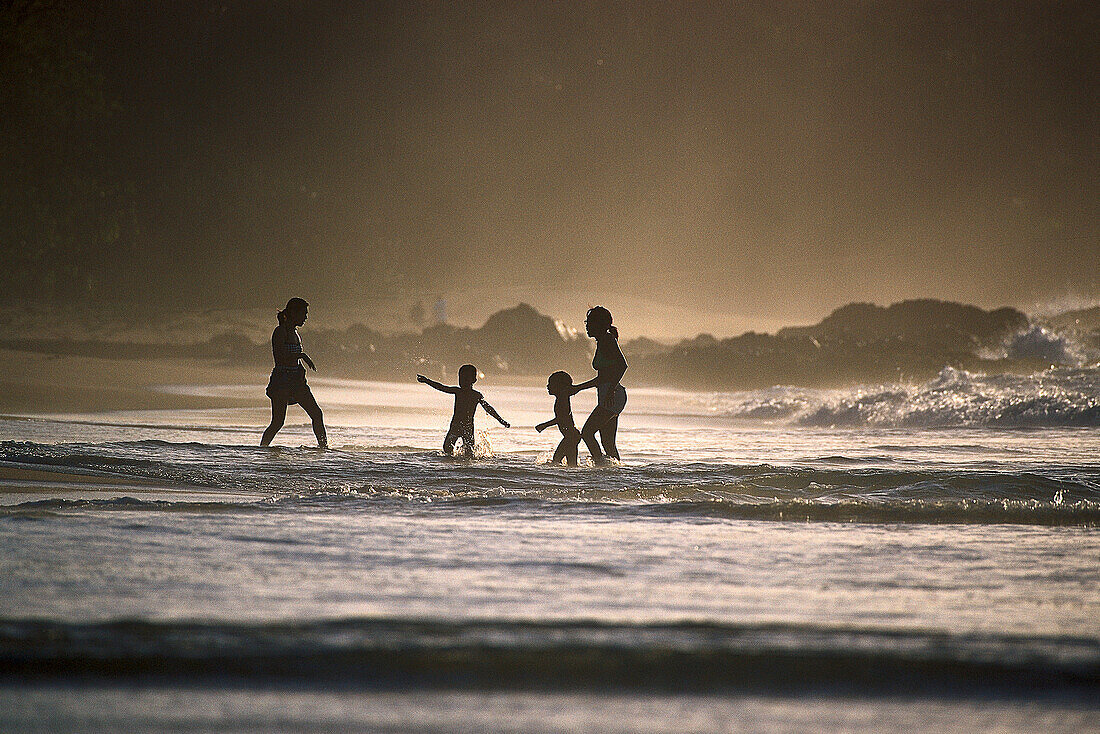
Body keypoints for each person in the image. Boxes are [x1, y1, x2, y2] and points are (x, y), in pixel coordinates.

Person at [261, 297, 328, 448]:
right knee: (277, 422)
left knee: (317, 414)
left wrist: (300, 367)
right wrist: (302, 356)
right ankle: (262, 449)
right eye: (303, 313)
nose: (306, 317)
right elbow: (280, 357)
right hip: (281, 381)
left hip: (297, 381)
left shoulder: (296, 333)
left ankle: (324, 449)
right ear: (292, 313)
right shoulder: (280, 332)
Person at [571, 306, 627, 465]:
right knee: (609, 444)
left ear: (599, 324)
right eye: (586, 322)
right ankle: (614, 474)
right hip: (609, 395)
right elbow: (602, 378)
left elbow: (623, 365)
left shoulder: (608, 340)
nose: (587, 326)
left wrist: (610, 391)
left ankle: (600, 466)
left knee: (587, 433)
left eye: (589, 323)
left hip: (612, 396)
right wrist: (577, 389)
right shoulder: (602, 342)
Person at [417, 364, 509, 455]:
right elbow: (441, 387)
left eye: (465, 379)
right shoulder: (458, 391)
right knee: (447, 448)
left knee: (469, 451)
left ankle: (466, 467)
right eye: (460, 378)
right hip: (455, 426)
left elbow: (489, 409)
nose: (462, 381)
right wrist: (426, 381)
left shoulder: (476, 395)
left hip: (468, 427)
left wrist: (501, 420)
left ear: (474, 380)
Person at [536, 370, 582, 466]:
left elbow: (562, 418)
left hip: (570, 437)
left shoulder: (562, 400)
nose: (547, 386)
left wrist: (544, 425)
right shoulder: (561, 398)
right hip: (572, 436)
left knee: (555, 462)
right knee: (572, 466)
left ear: (560, 387)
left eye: (551, 384)